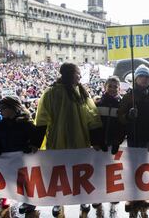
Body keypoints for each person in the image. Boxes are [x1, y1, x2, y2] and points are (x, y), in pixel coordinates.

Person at [35, 63, 103, 217]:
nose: (80, 76)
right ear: (70, 74)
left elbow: (92, 117)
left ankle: (83, 199)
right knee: (59, 174)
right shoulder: (50, 93)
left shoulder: (82, 93)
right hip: (57, 142)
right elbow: (41, 119)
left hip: (79, 142)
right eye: (78, 73)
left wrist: (97, 140)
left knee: (80, 172)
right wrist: (35, 143)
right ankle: (58, 202)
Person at [118, 64, 149, 212]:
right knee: (132, 166)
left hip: (148, 136)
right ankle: (131, 196)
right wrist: (129, 116)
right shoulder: (129, 95)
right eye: (142, 76)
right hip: (133, 135)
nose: (144, 79)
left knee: (145, 166)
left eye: (147, 77)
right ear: (136, 78)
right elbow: (120, 116)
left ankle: (143, 194)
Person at [0, 96, 41, 214]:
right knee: (16, 182)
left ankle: (30, 202)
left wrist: (28, 147)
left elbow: (36, 139)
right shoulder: (1, 124)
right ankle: (24, 199)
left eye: (3, 108)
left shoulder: (26, 123)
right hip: (8, 159)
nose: (0, 110)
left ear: (12, 108)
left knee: (26, 181)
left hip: (23, 159)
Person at [93, 76, 124, 208]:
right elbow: (93, 124)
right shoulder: (98, 102)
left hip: (114, 143)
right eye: (110, 86)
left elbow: (123, 126)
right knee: (98, 171)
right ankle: (97, 196)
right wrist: (96, 141)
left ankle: (112, 195)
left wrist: (118, 141)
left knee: (113, 171)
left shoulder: (122, 104)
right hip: (100, 144)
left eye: (115, 86)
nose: (112, 89)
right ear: (105, 87)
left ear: (119, 88)